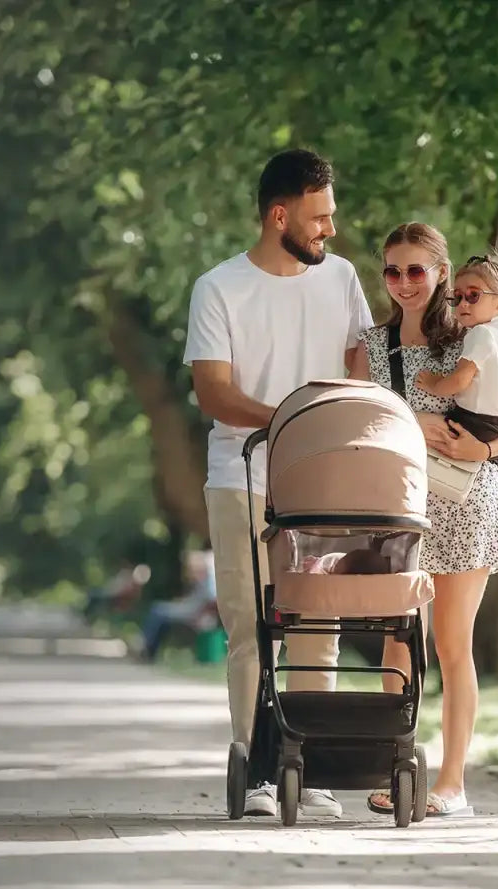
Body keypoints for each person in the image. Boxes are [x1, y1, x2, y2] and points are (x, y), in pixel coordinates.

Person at [183, 148, 373, 819]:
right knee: (251, 626)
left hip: (323, 478)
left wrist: (346, 408)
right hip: (242, 476)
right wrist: (293, 416)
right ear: (278, 214)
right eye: (319, 217)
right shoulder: (219, 288)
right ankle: (260, 767)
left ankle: (308, 763)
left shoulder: (343, 278)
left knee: (321, 620)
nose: (330, 230)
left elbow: (363, 362)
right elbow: (214, 392)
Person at [349, 222, 498, 818]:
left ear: (440, 271)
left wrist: (484, 449)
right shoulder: (369, 345)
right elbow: (356, 420)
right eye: (392, 271)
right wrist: (410, 417)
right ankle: (398, 767)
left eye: (416, 270)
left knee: (453, 643)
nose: (404, 283)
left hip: (467, 501)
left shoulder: (469, 337)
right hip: (399, 502)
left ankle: (452, 784)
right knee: (398, 641)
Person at [412, 252, 498, 461]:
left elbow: (460, 380)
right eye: (457, 297)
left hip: (473, 424)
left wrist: (434, 384)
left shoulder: (480, 333)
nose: (463, 304)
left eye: (473, 296)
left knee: (411, 423)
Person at [139, 551, 217, 661]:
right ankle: (149, 649)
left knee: (157, 610)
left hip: (194, 612)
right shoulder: (202, 580)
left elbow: (209, 600)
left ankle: (147, 648)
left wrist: (202, 613)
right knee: (160, 614)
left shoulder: (208, 581)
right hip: (190, 609)